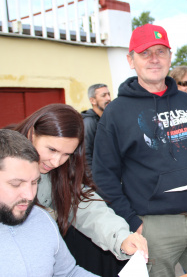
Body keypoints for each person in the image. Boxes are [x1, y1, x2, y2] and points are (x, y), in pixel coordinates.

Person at [92, 24, 187, 277]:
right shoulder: (116, 112)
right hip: (152, 226)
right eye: (145, 53)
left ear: (170, 57)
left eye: (161, 51)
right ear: (130, 60)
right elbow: (104, 174)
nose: (154, 59)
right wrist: (131, 221)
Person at [12, 104, 147, 277]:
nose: (56, 161)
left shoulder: (59, 172)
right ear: (32, 133)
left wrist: (121, 237)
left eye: (66, 154)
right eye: (52, 150)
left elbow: (84, 207)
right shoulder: (6, 158)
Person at [0, 129, 97, 277]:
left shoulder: (41, 218)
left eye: (34, 182)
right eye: (16, 184)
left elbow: (68, 273)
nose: (30, 195)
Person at [81, 84, 111, 169]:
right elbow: (85, 155)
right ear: (93, 100)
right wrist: (92, 181)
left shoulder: (107, 119)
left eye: (109, 94)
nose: (108, 98)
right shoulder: (89, 122)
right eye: (103, 95)